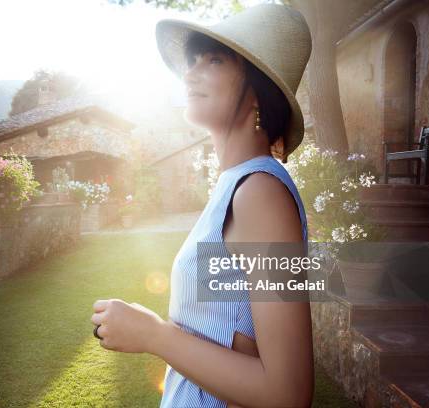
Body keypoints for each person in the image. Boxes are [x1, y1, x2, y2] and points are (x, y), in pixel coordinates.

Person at [90, 3, 314, 407]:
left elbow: (289, 394)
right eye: (191, 60)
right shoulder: (234, 187)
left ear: (258, 93)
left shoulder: (260, 194)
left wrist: (154, 335)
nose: (190, 72)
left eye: (213, 60)